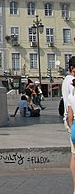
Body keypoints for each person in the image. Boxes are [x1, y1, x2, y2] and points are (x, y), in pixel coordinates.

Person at [62, 57, 75, 190]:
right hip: (72, 120)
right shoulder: (72, 81)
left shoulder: (65, 80)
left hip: (69, 120)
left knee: (74, 155)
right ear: (72, 68)